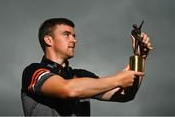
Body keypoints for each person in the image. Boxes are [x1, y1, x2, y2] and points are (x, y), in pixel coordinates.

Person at [21, 18, 152, 116]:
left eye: (74, 36)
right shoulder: (33, 71)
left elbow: (126, 95)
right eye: (66, 34)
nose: (74, 40)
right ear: (48, 40)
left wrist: (139, 57)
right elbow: (67, 89)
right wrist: (117, 79)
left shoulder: (82, 75)